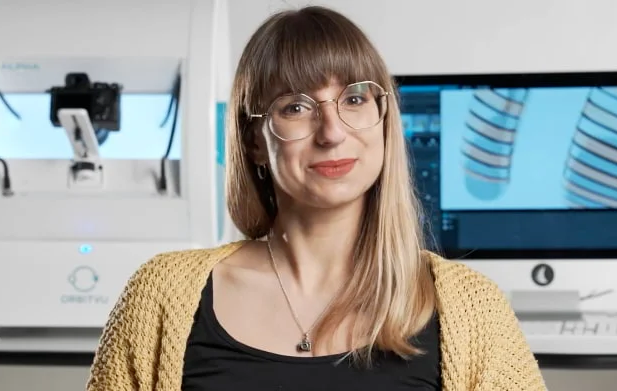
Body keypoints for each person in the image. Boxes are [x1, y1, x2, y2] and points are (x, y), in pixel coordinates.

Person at [86, 5, 546, 391]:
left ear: (384, 118)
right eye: (296, 107)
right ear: (253, 140)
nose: (332, 133)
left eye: (354, 100)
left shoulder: (470, 307)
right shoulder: (162, 294)